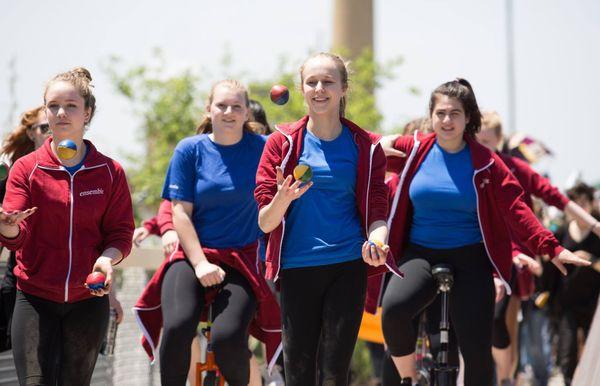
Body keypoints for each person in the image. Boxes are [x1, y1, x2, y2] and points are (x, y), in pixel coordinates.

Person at [378, 78, 590, 386]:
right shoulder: (414, 151)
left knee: (477, 348)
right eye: (440, 113)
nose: (447, 120)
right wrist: (376, 144)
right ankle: (409, 379)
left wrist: (552, 248)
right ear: (431, 116)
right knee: (394, 311)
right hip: (420, 252)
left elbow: (517, 209)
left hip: (470, 257)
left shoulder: (487, 163)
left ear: (468, 118)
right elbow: (364, 148)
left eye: (455, 113)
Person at [255, 52, 400, 386]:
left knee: (335, 373)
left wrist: (377, 241)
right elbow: (265, 222)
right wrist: (284, 197)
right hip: (296, 267)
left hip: (347, 265)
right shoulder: (282, 143)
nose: (319, 89)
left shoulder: (366, 146)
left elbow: (378, 211)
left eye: (328, 82)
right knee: (299, 372)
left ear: (343, 89)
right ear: (302, 89)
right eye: (312, 82)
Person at [133, 79, 281, 386]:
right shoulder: (190, 150)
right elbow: (179, 214)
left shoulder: (264, 148)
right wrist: (200, 263)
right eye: (221, 105)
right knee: (177, 326)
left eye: (236, 106)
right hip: (192, 255)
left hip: (242, 259)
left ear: (246, 113)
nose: (228, 112)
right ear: (208, 109)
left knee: (228, 339)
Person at [0, 67, 134, 385]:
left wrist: (106, 259)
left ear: (87, 113)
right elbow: (16, 236)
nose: (61, 113)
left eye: (71, 105)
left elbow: (121, 234)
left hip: (88, 300)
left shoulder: (109, 171)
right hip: (33, 298)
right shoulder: (26, 168)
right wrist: (7, 226)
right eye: (53, 105)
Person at [476, 111, 600, 385]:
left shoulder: (511, 168)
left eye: (488, 141)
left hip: (513, 258)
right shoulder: (466, 167)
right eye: (477, 140)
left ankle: (506, 378)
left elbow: (552, 194)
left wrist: (592, 224)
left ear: (499, 141)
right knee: (479, 323)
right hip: (476, 253)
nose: (482, 146)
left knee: (505, 320)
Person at [0, 106, 50, 351]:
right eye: (44, 127)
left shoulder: (83, 173)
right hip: (23, 283)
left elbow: (99, 237)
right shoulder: (13, 176)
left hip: (73, 288)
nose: (51, 132)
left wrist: (111, 295)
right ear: (31, 133)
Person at [547, 182, 600, 385]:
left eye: (584, 203)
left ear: (590, 204)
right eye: (575, 204)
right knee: (567, 351)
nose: (580, 208)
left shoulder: (598, 231)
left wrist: (591, 260)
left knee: (593, 351)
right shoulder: (561, 232)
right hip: (567, 301)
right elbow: (552, 268)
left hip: (593, 302)